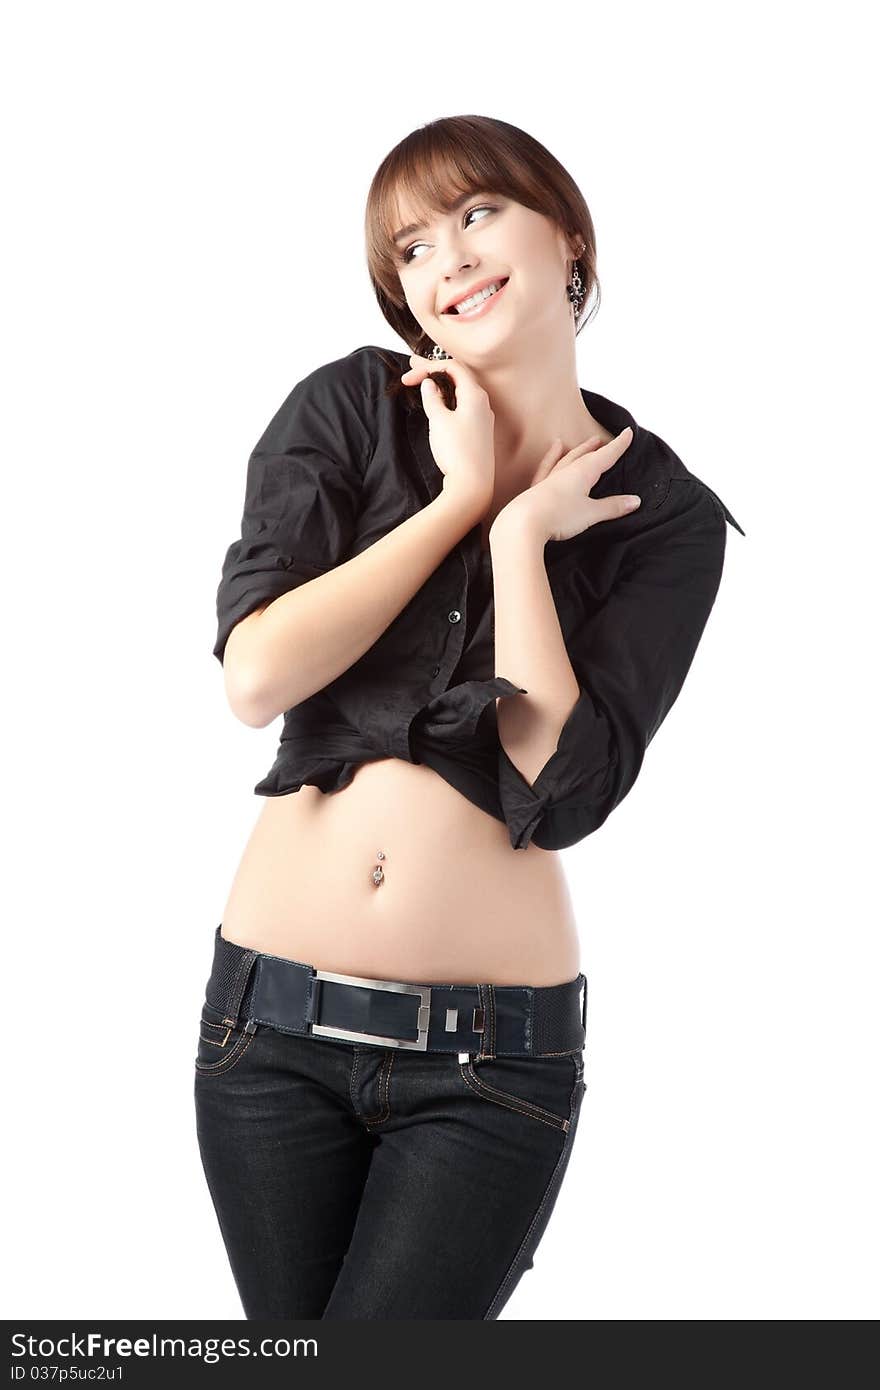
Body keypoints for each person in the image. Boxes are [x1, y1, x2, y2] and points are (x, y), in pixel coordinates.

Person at [193, 114, 745, 1321]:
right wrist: (454, 503)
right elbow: (256, 676)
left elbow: (560, 787)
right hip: (266, 1035)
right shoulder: (348, 408)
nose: (445, 258)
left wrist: (519, 543)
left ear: (568, 241)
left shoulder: (666, 516)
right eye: (409, 249)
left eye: (477, 213)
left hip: (488, 1065)